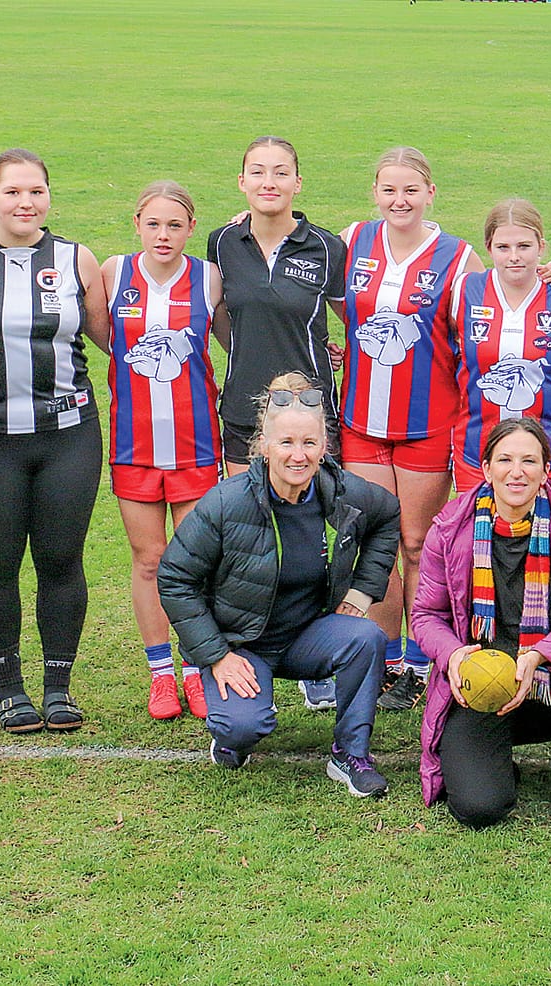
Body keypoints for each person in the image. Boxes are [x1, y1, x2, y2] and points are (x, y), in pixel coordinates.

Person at [156, 372, 399, 797]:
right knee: (243, 728)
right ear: (264, 446)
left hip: (307, 636)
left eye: (309, 443)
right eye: (286, 443)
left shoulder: (340, 492)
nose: (298, 456)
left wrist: (361, 593)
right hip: (241, 644)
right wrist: (215, 656)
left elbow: (388, 516)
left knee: (367, 637)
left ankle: (350, 753)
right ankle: (231, 739)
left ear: (324, 448)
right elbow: (175, 578)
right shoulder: (225, 502)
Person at [0, 149, 108, 734]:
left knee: (62, 560)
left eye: (35, 191)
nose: (24, 202)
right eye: (12, 192)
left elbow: (117, 339)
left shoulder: (75, 258)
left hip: (68, 437)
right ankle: (9, 689)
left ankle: (59, 687)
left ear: (48, 197)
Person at [414, 418, 551, 831]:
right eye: (506, 460)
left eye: (530, 461)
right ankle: (493, 764)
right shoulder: (449, 528)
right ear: (485, 468)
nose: (517, 472)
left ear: (547, 471)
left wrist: (542, 652)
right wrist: (453, 653)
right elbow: (425, 616)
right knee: (481, 809)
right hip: (483, 689)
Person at [335, 147, 482, 709]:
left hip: (427, 421)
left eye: (411, 190)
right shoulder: (352, 240)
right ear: (375, 192)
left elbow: (488, 312)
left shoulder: (458, 255)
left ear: (430, 194)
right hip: (362, 422)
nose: (400, 200)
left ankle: (424, 660)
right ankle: (386, 658)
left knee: (418, 543)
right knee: (374, 540)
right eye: (389, 189)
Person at [205, 135, 347, 713]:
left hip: (310, 414)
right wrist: (242, 359)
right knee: (251, 534)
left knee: (309, 531)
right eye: (258, 172)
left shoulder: (327, 247)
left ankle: (311, 656)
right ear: (242, 182)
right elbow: (215, 315)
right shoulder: (222, 241)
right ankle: (247, 650)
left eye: (281, 172)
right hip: (244, 412)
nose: (270, 181)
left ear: (297, 182)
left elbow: (358, 319)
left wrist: (327, 359)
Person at [102, 181, 224, 721]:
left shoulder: (207, 277)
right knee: (149, 560)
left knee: (192, 563)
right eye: (153, 224)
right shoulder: (111, 274)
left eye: (174, 225)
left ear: (190, 229)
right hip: (134, 441)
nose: (163, 235)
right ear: (137, 224)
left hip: (195, 441)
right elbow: (100, 337)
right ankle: (160, 676)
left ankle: (197, 669)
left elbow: (229, 341)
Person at [445, 199, 551, 496]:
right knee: (479, 541)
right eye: (503, 247)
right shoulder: (465, 290)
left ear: (541, 246)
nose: (514, 257)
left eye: (524, 246)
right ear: (488, 247)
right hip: (477, 452)